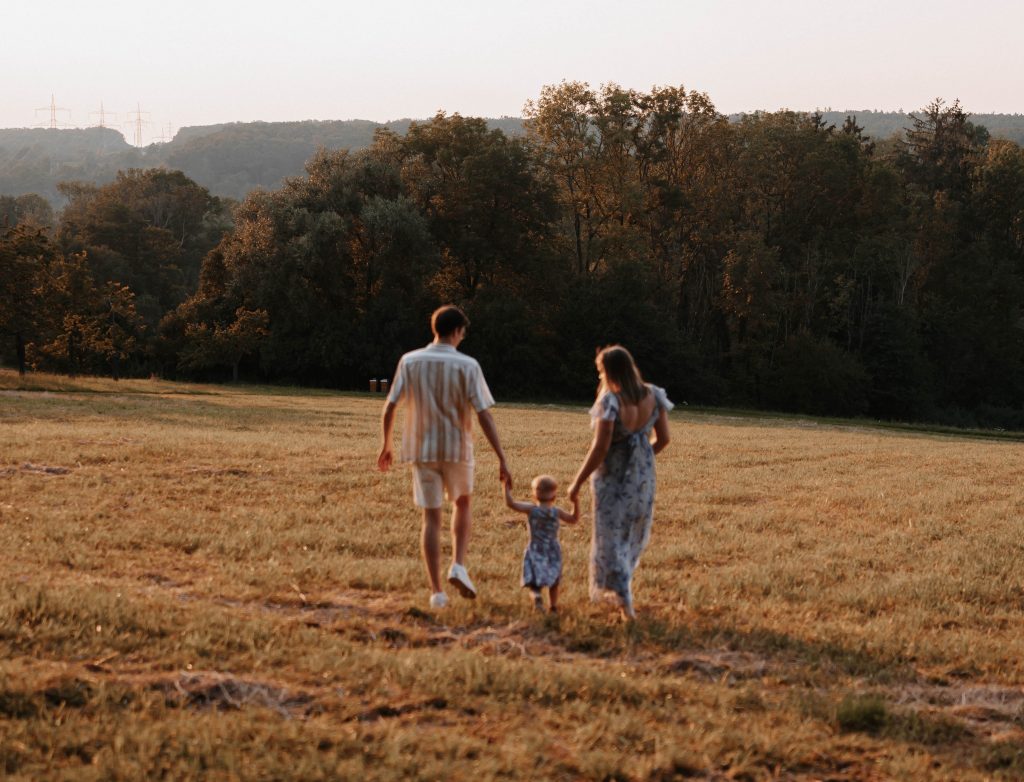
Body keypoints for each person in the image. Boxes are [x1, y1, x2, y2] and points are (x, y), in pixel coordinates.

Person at [377, 305, 512, 609]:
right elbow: (484, 414)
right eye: (463, 332)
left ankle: (437, 592)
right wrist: (501, 457)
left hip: (421, 449)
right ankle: (458, 565)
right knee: (462, 503)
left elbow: (390, 406)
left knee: (431, 517)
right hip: (457, 449)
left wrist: (386, 444)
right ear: (457, 331)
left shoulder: (410, 361)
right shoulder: (468, 365)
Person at [567, 346, 672, 619]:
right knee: (631, 536)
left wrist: (576, 482)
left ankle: (625, 602)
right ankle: (619, 592)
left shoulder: (610, 401)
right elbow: (664, 439)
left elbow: (600, 447)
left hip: (611, 481)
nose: (600, 377)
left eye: (601, 371)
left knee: (611, 539)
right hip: (642, 480)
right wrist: (641, 457)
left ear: (610, 372)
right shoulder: (654, 395)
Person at [503, 474, 579, 613]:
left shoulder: (531, 510)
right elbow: (574, 519)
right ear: (554, 496)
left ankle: (537, 596)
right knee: (554, 581)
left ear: (534, 495)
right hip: (552, 551)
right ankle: (553, 607)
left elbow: (511, 504)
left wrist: (505, 487)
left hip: (535, 549)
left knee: (534, 583)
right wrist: (575, 502)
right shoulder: (556, 512)